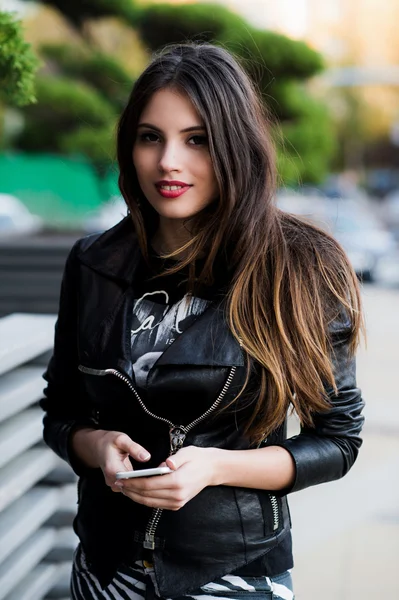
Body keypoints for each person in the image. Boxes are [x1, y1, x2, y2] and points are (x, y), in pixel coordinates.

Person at [40, 43, 365, 600]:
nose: (169, 161)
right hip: (103, 567)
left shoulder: (300, 265)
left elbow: (337, 441)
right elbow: (61, 411)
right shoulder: (94, 263)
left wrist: (216, 467)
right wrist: (97, 449)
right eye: (150, 137)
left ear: (235, 147)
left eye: (197, 140)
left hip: (232, 575)